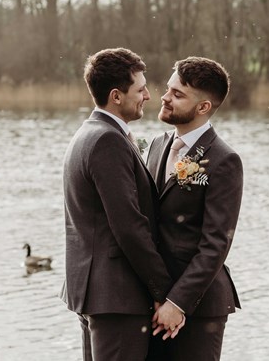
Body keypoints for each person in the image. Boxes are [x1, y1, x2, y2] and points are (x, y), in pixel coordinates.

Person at [60, 47, 184, 361]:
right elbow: (129, 226)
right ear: (116, 96)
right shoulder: (107, 141)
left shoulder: (88, 133)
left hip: (98, 293)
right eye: (141, 89)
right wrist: (164, 292)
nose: (147, 96)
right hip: (117, 296)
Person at [145, 56, 244, 361]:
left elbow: (216, 244)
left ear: (203, 108)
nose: (165, 97)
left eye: (178, 94)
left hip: (199, 307)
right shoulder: (157, 145)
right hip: (152, 301)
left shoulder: (224, 160)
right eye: (168, 89)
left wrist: (178, 302)